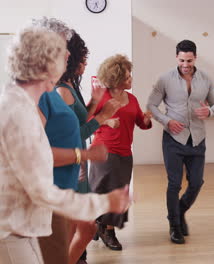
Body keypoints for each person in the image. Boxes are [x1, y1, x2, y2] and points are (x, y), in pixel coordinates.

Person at [0, 26, 130, 264]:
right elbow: (40, 161)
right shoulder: (18, 106)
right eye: (62, 56)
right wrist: (85, 155)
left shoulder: (31, 100)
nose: (67, 62)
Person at [147, 39, 214, 244]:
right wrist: (167, 121)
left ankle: (178, 212)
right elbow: (151, 105)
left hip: (197, 138)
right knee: (174, 183)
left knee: (197, 182)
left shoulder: (205, 79)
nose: (185, 65)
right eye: (182, 60)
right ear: (176, 57)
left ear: (195, 57)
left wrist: (210, 111)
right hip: (173, 138)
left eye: (189, 60)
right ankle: (175, 226)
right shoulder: (165, 79)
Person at [55, 31, 120, 264]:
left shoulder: (71, 84)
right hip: (72, 165)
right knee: (80, 227)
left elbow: (81, 120)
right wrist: (103, 117)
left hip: (79, 164)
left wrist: (95, 100)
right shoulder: (61, 90)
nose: (84, 65)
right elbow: (76, 134)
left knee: (83, 226)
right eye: (81, 60)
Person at [89, 54, 152, 251]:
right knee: (107, 191)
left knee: (119, 192)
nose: (131, 79)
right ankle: (108, 231)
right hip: (104, 152)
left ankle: (100, 225)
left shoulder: (131, 99)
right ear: (116, 79)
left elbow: (140, 122)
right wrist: (106, 120)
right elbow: (85, 121)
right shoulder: (101, 98)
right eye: (127, 77)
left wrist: (147, 120)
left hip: (125, 153)